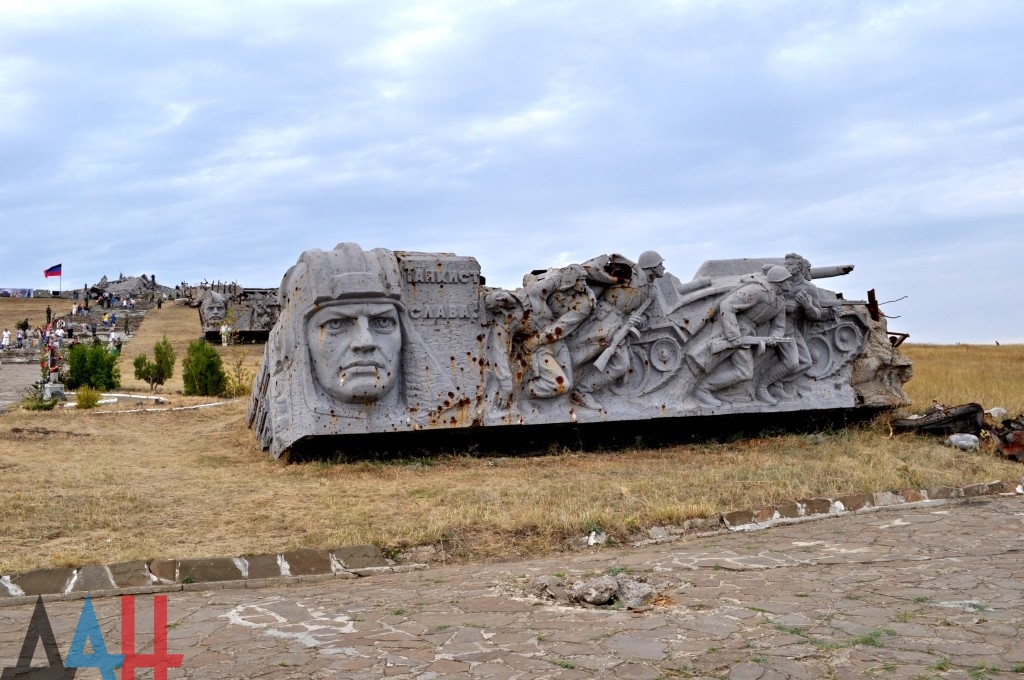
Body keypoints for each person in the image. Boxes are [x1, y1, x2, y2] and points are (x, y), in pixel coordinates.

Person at [565, 250, 666, 409]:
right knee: (578, 354)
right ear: (652, 266)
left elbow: (646, 316)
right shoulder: (628, 273)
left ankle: (582, 390)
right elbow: (594, 275)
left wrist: (638, 321)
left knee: (621, 365)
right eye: (660, 264)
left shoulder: (652, 292)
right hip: (601, 319)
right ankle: (557, 385)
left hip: (621, 327)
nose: (663, 267)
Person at [689, 265, 792, 407]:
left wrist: (775, 337)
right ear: (778, 282)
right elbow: (727, 305)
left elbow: (779, 326)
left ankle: (708, 389)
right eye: (787, 280)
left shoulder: (780, 302)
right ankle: (703, 389)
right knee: (739, 370)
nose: (790, 283)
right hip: (736, 329)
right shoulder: (757, 290)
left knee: (744, 372)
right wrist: (733, 335)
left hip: (750, 333)